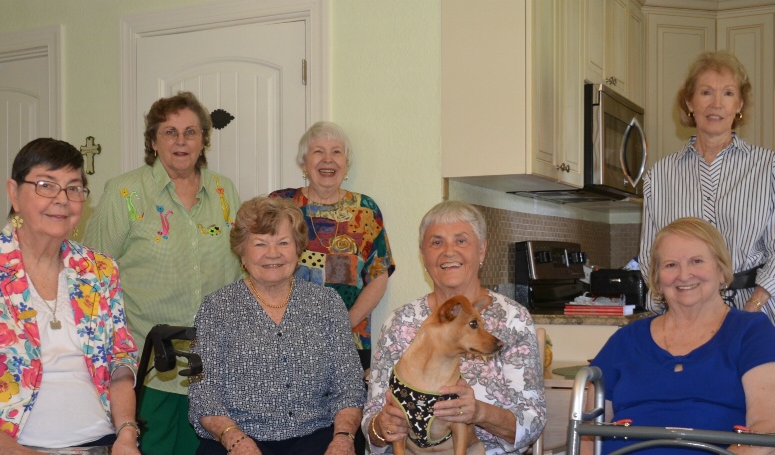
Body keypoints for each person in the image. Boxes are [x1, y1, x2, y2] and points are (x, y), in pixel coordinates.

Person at [84, 91, 243, 454]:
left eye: (191, 131)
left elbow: (240, 273)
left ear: (204, 139)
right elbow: (92, 279)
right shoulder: (124, 192)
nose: (181, 141)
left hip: (212, 368)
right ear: (153, 141)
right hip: (147, 368)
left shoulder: (224, 191)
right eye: (169, 132)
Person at [0, 138, 139, 453]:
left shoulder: (100, 269)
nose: (62, 200)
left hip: (101, 442)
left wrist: (127, 435)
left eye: (74, 188)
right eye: (46, 185)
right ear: (14, 193)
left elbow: (120, 360)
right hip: (9, 446)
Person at [363, 200, 546, 454]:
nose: (449, 252)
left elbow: (532, 423)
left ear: (481, 250)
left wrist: (479, 412)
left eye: (461, 241)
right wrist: (381, 427)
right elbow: (372, 420)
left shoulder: (512, 319)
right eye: (436, 242)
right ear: (423, 255)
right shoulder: (400, 322)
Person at [188, 196, 365, 455]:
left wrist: (343, 438)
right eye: (260, 244)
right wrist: (235, 440)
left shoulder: (327, 303)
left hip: (317, 435)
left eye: (283, 242)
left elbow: (349, 385)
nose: (273, 254)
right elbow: (203, 393)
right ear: (242, 253)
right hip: (238, 437)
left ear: (298, 249)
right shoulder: (216, 308)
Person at [593, 217, 775, 455]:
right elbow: (588, 432)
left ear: (722, 271)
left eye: (697, 261)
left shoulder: (751, 332)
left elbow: (766, 428)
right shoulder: (626, 339)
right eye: (670, 265)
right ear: (657, 279)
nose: (684, 274)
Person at [639, 50, 775, 323]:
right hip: (682, 316)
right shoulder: (659, 175)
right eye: (705, 92)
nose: (716, 104)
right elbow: (649, 257)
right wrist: (674, 310)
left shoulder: (768, 168)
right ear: (689, 102)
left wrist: (752, 308)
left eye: (727, 93)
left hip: (754, 313)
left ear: (739, 105)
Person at [270, 121, 396, 372]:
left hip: (349, 340)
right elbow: (260, 265)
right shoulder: (280, 204)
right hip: (283, 339)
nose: (328, 160)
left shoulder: (365, 210)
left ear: (346, 164)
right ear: (304, 163)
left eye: (336, 152)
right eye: (318, 151)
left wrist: (344, 324)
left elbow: (378, 275)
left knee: (346, 411)